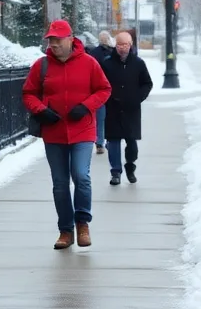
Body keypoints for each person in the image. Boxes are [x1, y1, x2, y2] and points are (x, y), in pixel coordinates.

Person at [22, 20, 111, 250]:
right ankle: (65, 229)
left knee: (81, 176)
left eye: (57, 40)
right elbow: (28, 94)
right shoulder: (41, 66)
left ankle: (82, 224)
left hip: (82, 130)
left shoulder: (89, 63)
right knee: (60, 184)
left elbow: (104, 89)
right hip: (54, 133)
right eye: (50, 40)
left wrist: (86, 106)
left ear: (71, 39)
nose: (53, 44)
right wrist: (41, 110)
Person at [99, 31, 154, 185]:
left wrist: (138, 97)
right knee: (113, 142)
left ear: (131, 45)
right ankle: (115, 172)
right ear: (115, 46)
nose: (122, 48)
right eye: (119, 44)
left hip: (131, 109)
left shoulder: (138, 63)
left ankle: (130, 166)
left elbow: (147, 83)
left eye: (125, 45)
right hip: (113, 109)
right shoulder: (107, 63)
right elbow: (100, 84)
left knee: (131, 143)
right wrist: (106, 99)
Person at [87, 31, 115, 156]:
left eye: (106, 38)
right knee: (104, 117)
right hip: (104, 89)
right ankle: (103, 141)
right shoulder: (111, 53)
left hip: (103, 89)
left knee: (102, 118)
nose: (106, 40)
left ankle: (102, 141)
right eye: (104, 38)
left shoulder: (95, 53)